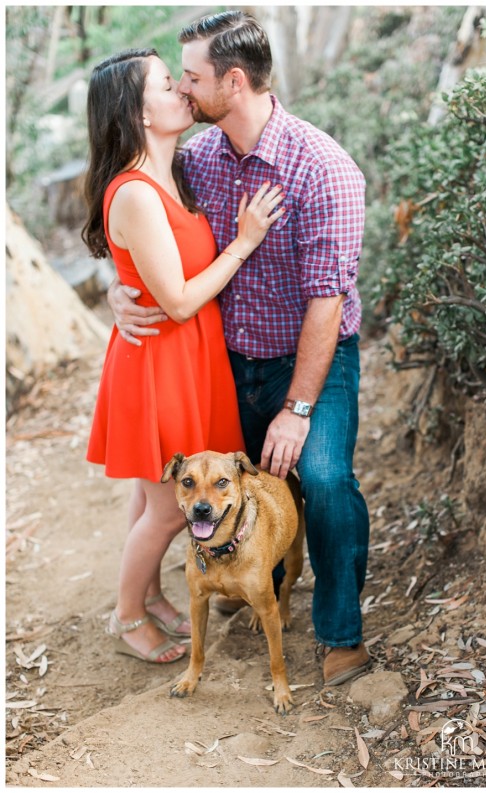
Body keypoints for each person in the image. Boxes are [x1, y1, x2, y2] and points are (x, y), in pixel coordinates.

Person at [108, 11, 371, 685]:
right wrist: (119, 286)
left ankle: (339, 632)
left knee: (322, 478)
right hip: (221, 365)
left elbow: (326, 300)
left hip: (310, 360)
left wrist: (298, 406)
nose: (183, 90)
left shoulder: (321, 167)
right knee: (229, 484)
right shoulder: (194, 159)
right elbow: (139, 223)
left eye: (189, 78)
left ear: (232, 80)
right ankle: (243, 577)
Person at [82, 47, 284, 664]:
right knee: (169, 511)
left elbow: (132, 267)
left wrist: (117, 288)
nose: (182, 92)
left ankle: (151, 598)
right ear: (138, 113)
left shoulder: (177, 171)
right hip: (161, 360)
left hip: (186, 357)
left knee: (150, 501)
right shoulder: (139, 192)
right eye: (168, 86)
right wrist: (245, 243)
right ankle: (127, 617)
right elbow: (175, 300)